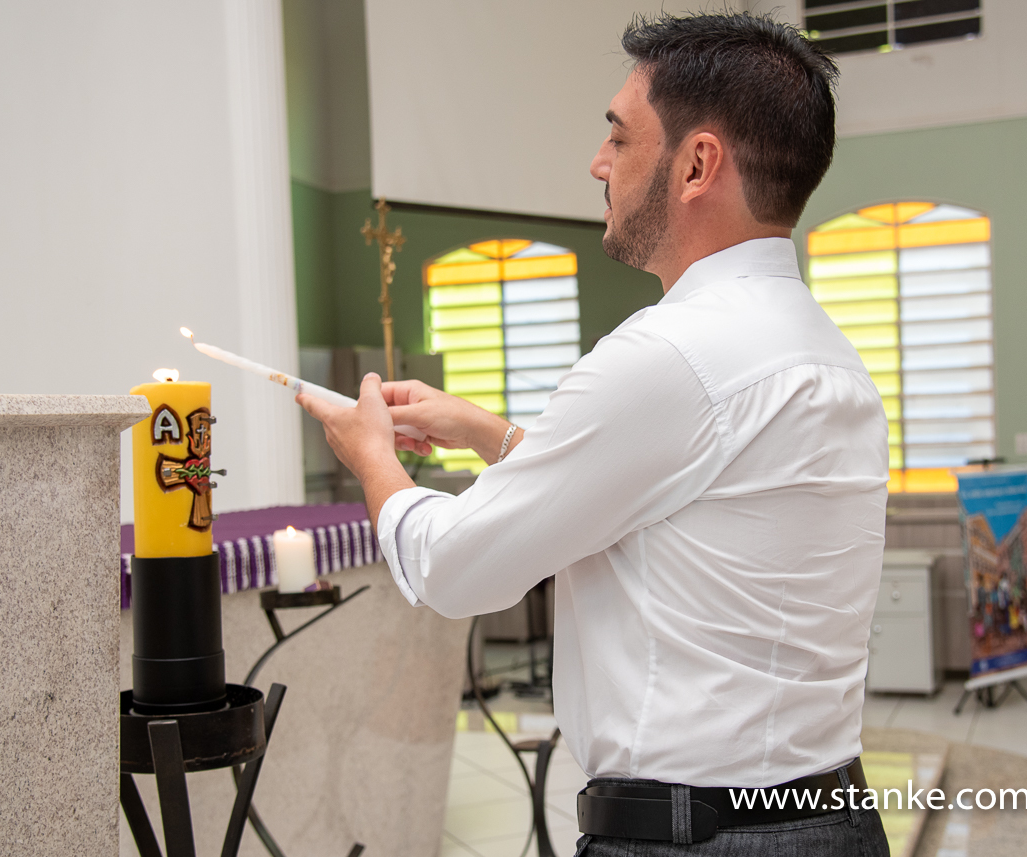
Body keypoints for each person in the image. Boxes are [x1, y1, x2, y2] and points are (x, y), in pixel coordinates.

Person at [299, 11, 890, 856]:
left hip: (697, 837)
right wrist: (488, 432)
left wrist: (374, 461)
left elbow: (453, 565)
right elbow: (683, 505)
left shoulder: (670, 354)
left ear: (696, 164)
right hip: (829, 818)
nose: (597, 163)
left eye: (618, 135)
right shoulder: (826, 354)